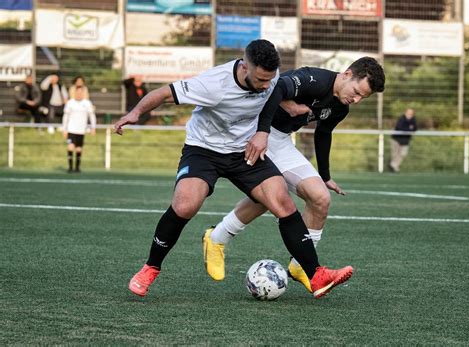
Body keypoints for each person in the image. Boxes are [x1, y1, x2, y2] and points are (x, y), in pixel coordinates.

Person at [114, 39, 353, 300]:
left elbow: (274, 94)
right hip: (204, 150)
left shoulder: (270, 79)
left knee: (282, 201)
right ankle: (151, 267)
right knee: (185, 205)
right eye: (260, 79)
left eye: (269, 79)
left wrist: (273, 121)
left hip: (243, 151)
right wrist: (135, 113)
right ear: (244, 67)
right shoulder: (213, 84)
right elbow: (162, 93)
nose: (265, 85)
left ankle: (316, 274)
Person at [204, 57, 385, 292]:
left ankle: (300, 265)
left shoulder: (342, 105)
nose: (357, 100)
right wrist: (283, 109)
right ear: (348, 74)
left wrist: (325, 175)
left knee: (320, 198)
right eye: (357, 92)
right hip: (252, 132)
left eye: (364, 98)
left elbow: (324, 133)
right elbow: (275, 86)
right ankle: (216, 239)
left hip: (280, 140)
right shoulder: (315, 80)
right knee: (269, 196)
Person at [62, 86, 96, 173]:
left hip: (81, 130)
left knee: (79, 149)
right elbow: (65, 116)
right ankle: (70, 167)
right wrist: (64, 129)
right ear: (75, 93)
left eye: (81, 93)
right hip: (71, 130)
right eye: (77, 92)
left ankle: (77, 168)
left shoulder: (87, 103)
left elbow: (91, 116)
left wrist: (93, 127)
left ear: (83, 94)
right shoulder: (70, 103)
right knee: (70, 147)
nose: (79, 94)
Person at [389, 108, 417, 172]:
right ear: (405, 113)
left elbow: (415, 128)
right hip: (396, 139)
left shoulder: (413, 120)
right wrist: (409, 128)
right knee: (395, 154)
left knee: (403, 154)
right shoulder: (401, 118)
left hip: (405, 141)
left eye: (411, 114)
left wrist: (408, 129)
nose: (409, 115)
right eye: (408, 113)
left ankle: (393, 165)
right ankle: (394, 167)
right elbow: (400, 127)